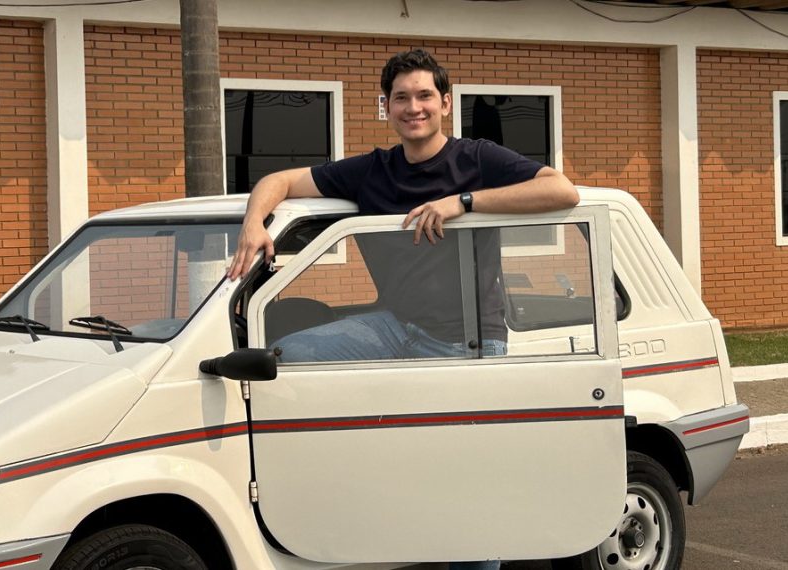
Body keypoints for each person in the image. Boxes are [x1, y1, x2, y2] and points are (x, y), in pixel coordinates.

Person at [226, 49, 579, 569]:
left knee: (466, 491)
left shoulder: (476, 159)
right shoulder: (372, 170)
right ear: (385, 107)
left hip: (468, 344)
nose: (414, 107)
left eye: (424, 96)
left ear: (445, 103)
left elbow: (562, 190)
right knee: (285, 358)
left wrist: (464, 203)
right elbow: (277, 182)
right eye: (401, 98)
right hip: (396, 328)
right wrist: (254, 224)